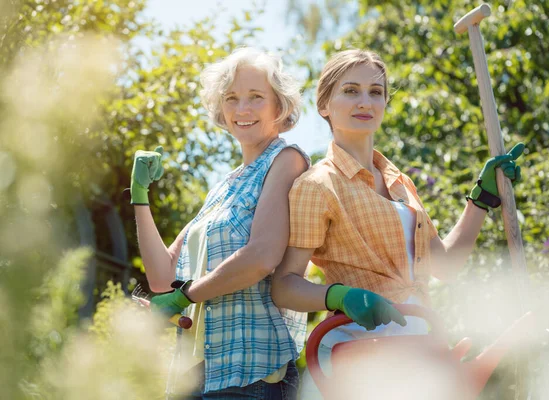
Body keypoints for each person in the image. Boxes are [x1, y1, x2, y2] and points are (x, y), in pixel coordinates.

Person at [271, 49, 524, 398]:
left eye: (376, 92)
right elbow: (284, 286)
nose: (365, 101)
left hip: (423, 347)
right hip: (363, 354)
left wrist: (482, 198)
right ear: (324, 105)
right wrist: (339, 296)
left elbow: (445, 265)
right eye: (351, 90)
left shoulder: (399, 182)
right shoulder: (318, 185)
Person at [129, 47, 310, 399]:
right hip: (194, 374)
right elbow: (162, 276)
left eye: (256, 97)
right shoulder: (224, 186)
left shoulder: (285, 160)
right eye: (231, 98)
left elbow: (261, 257)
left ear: (280, 106)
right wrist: (139, 194)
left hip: (251, 373)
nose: (242, 109)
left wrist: (184, 297)